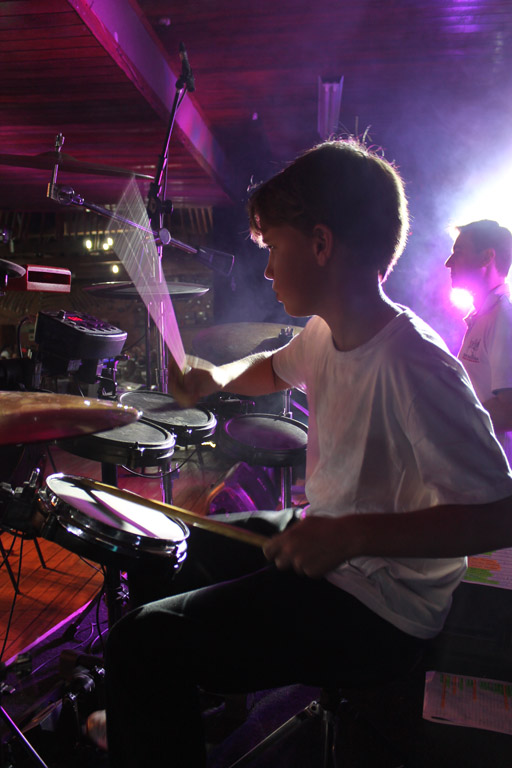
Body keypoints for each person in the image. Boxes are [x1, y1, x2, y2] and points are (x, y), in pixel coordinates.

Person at [100, 140, 512, 768]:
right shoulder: (326, 329)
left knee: (141, 641)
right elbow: (273, 367)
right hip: (333, 537)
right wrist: (215, 376)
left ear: (321, 244)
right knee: (174, 546)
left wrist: (351, 536)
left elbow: (500, 515)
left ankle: (161, 693)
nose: (267, 270)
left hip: (382, 605)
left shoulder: (415, 364)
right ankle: (185, 707)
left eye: (273, 248)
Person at [445, 219, 512, 463]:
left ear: (487, 258)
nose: (448, 263)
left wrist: (443, 418)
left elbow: (509, 410)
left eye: (458, 252)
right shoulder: (486, 314)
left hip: (481, 475)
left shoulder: (504, 317)